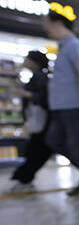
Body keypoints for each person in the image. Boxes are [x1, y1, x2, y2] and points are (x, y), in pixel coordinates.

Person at [43, 8, 79, 196]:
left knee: (77, 144)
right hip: (62, 106)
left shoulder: (74, 45)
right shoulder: (63, 47)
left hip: (73, 106)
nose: (45, 28)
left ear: (59, 23)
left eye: (47, 24)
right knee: (55, 140)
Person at [8, 51, 54, 191]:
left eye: (27, 59)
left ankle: (24, 177)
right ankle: (24, 177)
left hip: (42, 120)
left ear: (35, 62)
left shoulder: (40, 78)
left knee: (38, 150)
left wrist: (25, 94)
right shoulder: (38, 77)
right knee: (36, 149)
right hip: (40, 120)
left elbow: (44, 99)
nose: (25, 61)